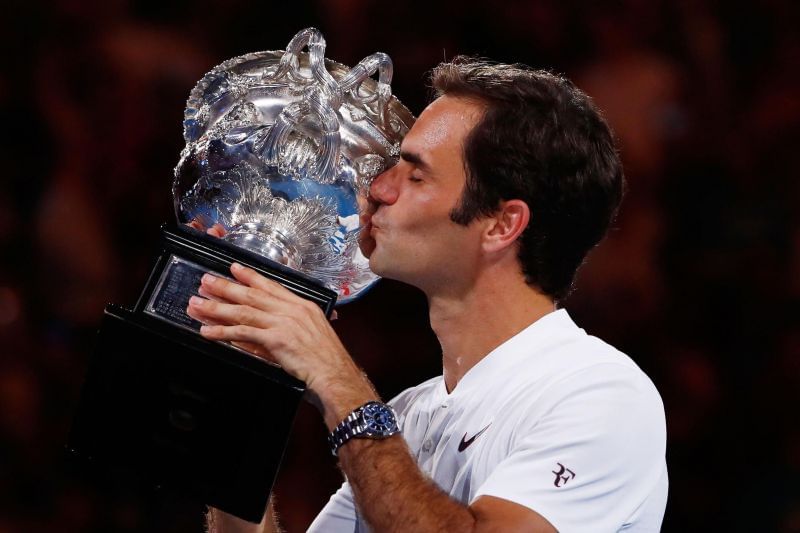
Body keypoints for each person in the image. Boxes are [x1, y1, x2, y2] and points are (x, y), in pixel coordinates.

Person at [187, 57, 668, 532]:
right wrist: (243, 393)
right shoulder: (408, 416)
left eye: (415, 175)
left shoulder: (600, 394)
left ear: (502, 224)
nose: (377, 187)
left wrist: (336, 378)